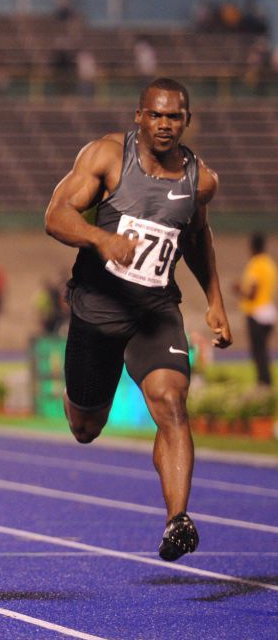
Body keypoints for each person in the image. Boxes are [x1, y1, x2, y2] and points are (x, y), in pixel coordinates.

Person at [44, 77, 231, 562]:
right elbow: (55, 215)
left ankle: (177, 520)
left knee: (171, 402)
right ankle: (77, 396)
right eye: (156, 115)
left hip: (155, 309)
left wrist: (215, 300)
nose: (165, 125)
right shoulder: (107, 156)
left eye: (175, 116)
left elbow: (196, 239)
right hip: (97, 310)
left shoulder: (200, 180)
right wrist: (102, 240)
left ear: (187, 120)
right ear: (139, 116)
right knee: (85, 427)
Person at [236, 232, 276, 386]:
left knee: (258, 352)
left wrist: (238, 289)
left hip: (257, 313)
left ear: (252, 246)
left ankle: (264, 383)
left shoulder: (256, 264)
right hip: (268, 312)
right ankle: (266, 382)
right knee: (262, 351)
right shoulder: (269, 263)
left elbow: (252, 293)